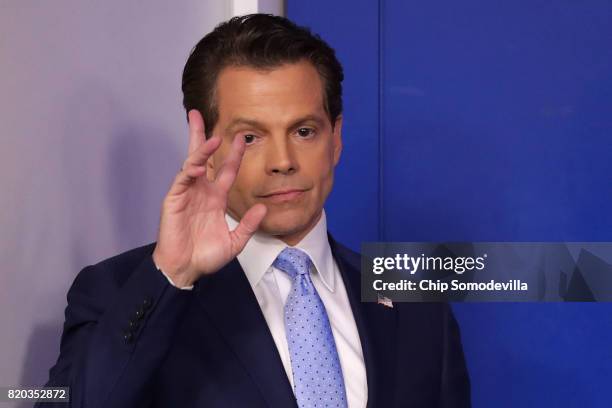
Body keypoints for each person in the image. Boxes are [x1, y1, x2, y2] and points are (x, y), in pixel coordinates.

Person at [38, 14, 470, 408]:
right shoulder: (123, 291)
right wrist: (172, 276)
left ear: (335, 138)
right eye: (250, 137)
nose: (283, 160)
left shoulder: (420, 307)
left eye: (304, 131)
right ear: (206, 150)